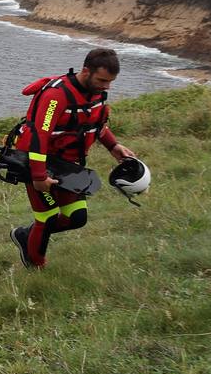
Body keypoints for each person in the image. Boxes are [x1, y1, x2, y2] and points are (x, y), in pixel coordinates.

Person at [9, 48, 137, 269]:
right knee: (47, 218)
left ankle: (25, 236)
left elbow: (95, 124)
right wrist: (39, 177)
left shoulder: (96, 93)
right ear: (86, 71)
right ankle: (36, 268)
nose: (107, 86)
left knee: (77, 218)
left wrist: (114, 146)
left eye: (110, 81)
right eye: (102, 80)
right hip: (38, 163)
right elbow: (41, 135)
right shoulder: (55, 96)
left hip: (68, 167)